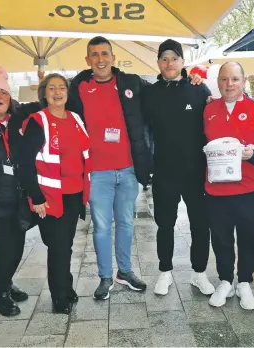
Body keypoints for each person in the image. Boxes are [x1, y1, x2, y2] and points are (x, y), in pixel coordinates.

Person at [68, 36, 152, 300]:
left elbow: (163, 93)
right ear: (87, 60)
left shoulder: (131, 83)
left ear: (113, 58)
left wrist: (190, 79)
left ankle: (124, 272)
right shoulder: (78, 88)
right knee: (102, 228)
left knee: (126, 223)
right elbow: (52, 104)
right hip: (97, 174)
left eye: (105, 54)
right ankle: (105, 276)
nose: (100, 59)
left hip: (127, 170)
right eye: (95, 55)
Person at [141, 39, 214, 296]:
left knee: (199, 224)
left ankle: (199, 273)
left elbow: (213, 122)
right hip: (164, 172)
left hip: (196, 171)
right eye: (164, 58)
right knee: (165, 224)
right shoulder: (149, 93)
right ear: (158, 63)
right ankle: (164, 272)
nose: (169, 63)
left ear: (183, 62)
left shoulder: (198, 89)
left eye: (174, 58)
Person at [203, 62, 254, 309]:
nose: (229, 84)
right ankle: (225, 280)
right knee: (221, 239)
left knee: (247, 239)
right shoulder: (209, 109)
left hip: (250, 189)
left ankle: (244, 281)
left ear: (244, 81)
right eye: (224, 79)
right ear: (218, 82)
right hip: (216, 191)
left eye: (234, 79)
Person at [20, 73, 90, 314]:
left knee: (65, 245)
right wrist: (36, 197)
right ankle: (59, 297)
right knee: (59, 246)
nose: (57, 92)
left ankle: (65, 286)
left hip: (74, 194)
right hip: (51, 197)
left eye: (62, 87)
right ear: (44, 93)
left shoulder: (75, 118)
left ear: (67, 93)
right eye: (52, 88)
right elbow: (25, 162)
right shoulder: (38, 121)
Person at [0, 67, 41, 316]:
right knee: (2, 247)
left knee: (17, 246)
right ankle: (0, 293)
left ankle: (8, 282)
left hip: (18, 198)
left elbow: (44, 103)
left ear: (10, 97)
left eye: (3, 91)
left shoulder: (19, 120)